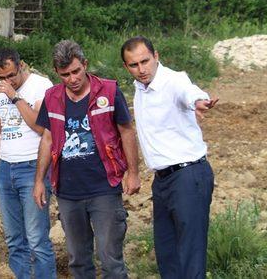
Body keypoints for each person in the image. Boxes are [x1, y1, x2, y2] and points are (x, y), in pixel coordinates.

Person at [33, 40, 140, 279]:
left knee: (110, 261)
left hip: (104, 187)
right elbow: (48, 139)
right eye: (65, 74)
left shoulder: (109, 91)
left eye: (76, 71)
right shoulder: (51, 97)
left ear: (85, 64)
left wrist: (133, 173)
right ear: (57, 73)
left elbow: (126, 130)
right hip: (68, 191)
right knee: (78, 262)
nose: (72, 79)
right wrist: (39, 180)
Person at [121, 36, 217, 279]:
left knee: (190, 257)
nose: (141, 70)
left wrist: (199, 101)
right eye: (134, 65)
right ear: (126, 67)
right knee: (167, 254)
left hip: (188, 176)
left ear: (156, 57)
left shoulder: (173, 80)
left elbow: (189, 91)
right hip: (162, 180)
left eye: (145, 61)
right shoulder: (140, 87)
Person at [0, 47, 57, 278]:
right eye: (1, 78)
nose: (7, 82)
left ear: (20, 65)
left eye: (11, 75)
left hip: (33, 168)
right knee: (14, 239)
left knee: (36, 239)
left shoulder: (41, 86)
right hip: (5, 170)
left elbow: (40, 126)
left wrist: (14, 97)